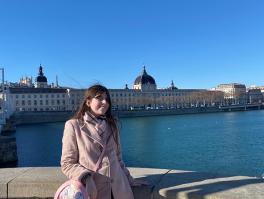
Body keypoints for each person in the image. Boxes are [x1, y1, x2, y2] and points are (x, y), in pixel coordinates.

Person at [61, 84, 148, 199]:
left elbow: (118, 159)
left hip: (120, 190)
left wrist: (129, 179)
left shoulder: (112, 125)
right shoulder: (73, 125)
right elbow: (67, 163)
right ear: (88, 102)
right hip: (93, 191)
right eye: (99, 98)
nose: (104, 102)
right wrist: (86, 177)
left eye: (107, 99)